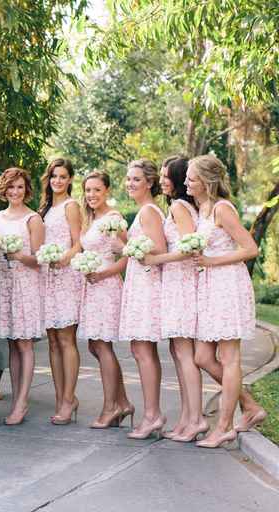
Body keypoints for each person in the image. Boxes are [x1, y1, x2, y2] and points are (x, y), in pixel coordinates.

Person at [186, 155, 264, 448]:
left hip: (228, 284)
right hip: (210, 286)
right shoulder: (203, 208)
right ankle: (251, 406)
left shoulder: (222, 208)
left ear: (207, 181)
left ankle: (224, 427)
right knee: (203, 357)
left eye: (191, 179)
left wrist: (210, 260)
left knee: (229, 357)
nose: (186, 183)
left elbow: (250, 248)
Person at [142, 156, 206, 442]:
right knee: (178, 353)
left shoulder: (180, 207)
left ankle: (197, 419)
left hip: (181, 284)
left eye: (168, 176)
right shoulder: (177, 206)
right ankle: (185, 418)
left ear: (179, 179)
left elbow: (190, 248)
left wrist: (156, 258)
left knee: (185, 354)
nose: (163, 180)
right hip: (173, 283)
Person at [77, 172, 134, 429]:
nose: (91, 195)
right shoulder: (90, 218)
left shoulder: (113, 218)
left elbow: (128, 255)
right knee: (94, 346)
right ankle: (123, 403)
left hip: (107, 285)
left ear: (107, 191)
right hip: (92, 287)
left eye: (97, 190)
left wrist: (102, 273)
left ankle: (111, 407)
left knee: (102, 346)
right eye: (88, 190)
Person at [117, 159, 167, 439]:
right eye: (128, 179)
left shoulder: (149, 211)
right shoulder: (144, 211)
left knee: (142, 350)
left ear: (149, 182)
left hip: (147, 286)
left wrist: (124, 247)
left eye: (136, 179)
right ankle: (153, 413)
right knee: (141, 350)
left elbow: (157, 251)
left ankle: (152, 415)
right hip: (139, 283)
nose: (130, 184)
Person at [0, 167, 44, 425]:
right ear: (4, 189)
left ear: (26, 190)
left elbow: (39, 259)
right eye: (11, 187)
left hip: (26, 284)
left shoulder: (33, 219)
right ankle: (15, 399)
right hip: (5, 284)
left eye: (20, 187)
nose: (15, 192)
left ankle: (23, 401)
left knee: (24, 343)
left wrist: (19, 256)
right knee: (12, 343)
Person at [39, 158, 83, 425]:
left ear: (70, 180)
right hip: (48, 276)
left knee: (67, 340)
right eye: (54, 176)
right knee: (53, 341)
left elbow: (80, 242)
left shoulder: (71, 206)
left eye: (63, 176)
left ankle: (69, 399)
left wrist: (64, 259)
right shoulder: (44, 209)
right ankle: (60, 398)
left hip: (66, 275)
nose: (58, 181)